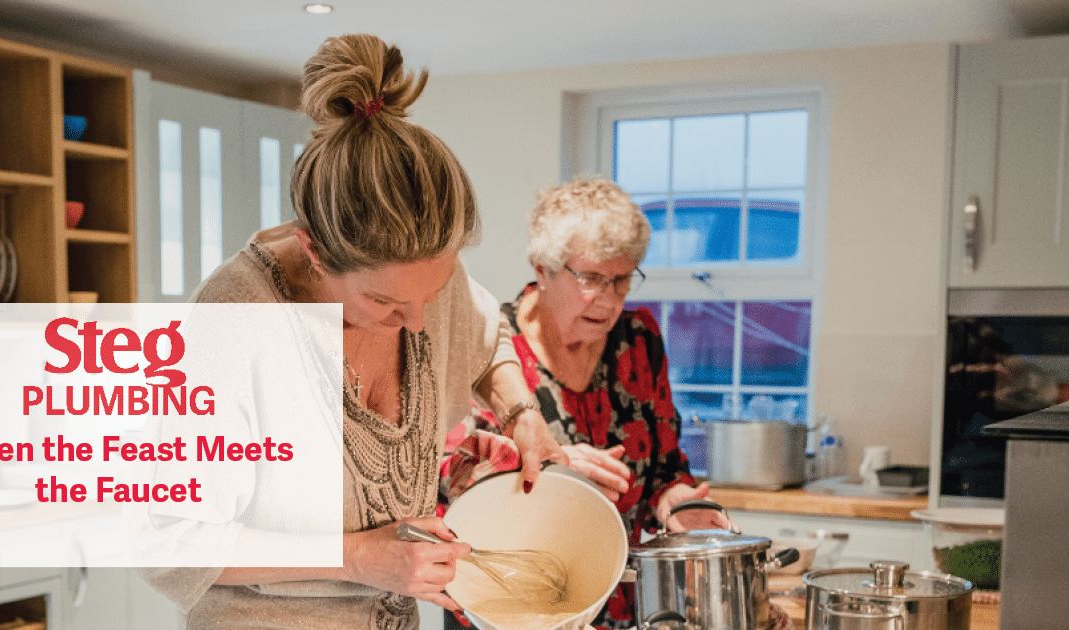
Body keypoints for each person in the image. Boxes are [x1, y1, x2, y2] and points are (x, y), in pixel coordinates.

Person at [133, 33, 565, 630]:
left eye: (431, 295)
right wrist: (360, 557)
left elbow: (485, 339)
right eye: (384, 301)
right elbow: (170, 537)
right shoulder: (236, 321)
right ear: (314, 251)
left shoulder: (424, 271)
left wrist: (522, 415)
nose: (416, 322)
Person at [443, 178, 732, 630]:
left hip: (620, 606)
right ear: (543, 269)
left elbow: (664, 468)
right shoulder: (492, 349)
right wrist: (552, 471)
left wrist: (677, 503)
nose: (611, 299)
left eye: (622, 279)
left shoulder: (638, 339)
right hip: (511, 611)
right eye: (592, 278)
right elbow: (453, 480)